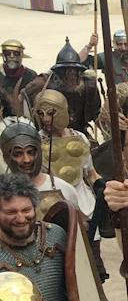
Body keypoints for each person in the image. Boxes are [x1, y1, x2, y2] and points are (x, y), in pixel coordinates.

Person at [0, 173, 75, 301]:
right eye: (11, 212)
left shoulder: (55, 235)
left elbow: (77, 288)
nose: (20, 218)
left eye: (26, 210)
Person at [32, 88, 98, 216]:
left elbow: (91, 173)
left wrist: (101, 186)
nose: (45, 119)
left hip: (85, 203)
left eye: (50, 113)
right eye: (40, 113)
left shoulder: (79, 137)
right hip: (52, 205)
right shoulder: (36, 141)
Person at [1, 120, 82, 217]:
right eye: (18, 154)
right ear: (6, 157)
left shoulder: (65, 189)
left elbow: (75, 228)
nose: (26, 160)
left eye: (31, 152)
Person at [0, 38, 38, 117]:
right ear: (4, 56)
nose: (12, 56)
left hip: (25, 119)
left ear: (21, 56)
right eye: (8, 53)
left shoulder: (30, 75)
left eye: (16, 53)